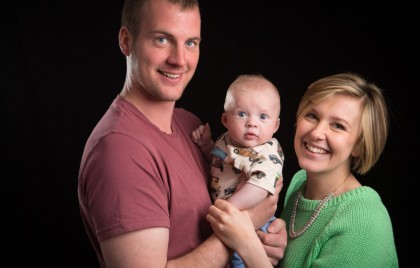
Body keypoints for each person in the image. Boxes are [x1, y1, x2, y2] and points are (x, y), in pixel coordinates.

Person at [77, 0, 287, 267]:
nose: (179, 60)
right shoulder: (120, 151)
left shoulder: (190, 126)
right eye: (162, 39)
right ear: (126, 41)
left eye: (190, 43)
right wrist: (243, 228)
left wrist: (262, 240)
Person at [206, 72, 399, 267]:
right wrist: (272, 243)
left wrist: (247, 243)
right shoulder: (299, 185)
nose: (316, 133)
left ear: (359, 145)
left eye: (338, 126)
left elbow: (248, 248)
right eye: (312, 116)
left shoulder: (365, 219)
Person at [192, 74, 285, 268]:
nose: (252, 123)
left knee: (239, 261)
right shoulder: (227, 140)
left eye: (263, 117)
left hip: (255, 222)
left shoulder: (267, 153)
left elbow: (260, 187)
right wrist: (206, 145)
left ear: (275, 125)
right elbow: (218, 163)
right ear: (225, 119)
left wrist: (229, 209)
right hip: (230, 220)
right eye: (242, 114)